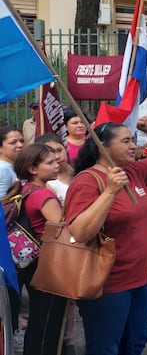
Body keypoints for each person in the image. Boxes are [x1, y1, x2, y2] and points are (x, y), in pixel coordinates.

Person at [65, 118, 147, 355]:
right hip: (108, 285)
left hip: (140, 279)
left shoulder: (132, 171)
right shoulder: (88, 181)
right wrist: (110, 191)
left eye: (132, 140)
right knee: (106, 348)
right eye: (125, 141)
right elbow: (80, 232)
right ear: (104, 147)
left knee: (135, 343)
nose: (133, 145)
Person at [10, 143, 68, 355]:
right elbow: (64, 231)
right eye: (50, 162)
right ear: (33, 168)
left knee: (39, 319)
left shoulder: (25, 189)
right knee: (47, 324)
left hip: (31, 266)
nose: (57, 165)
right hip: (47, 267)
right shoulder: (43, 195)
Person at [34, 134, 76, 354]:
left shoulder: (77, 174)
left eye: (59, 150)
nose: (56, 158)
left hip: (76, 244)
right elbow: (58, 222)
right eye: (49, 155)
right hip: (62, 247)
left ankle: (67, 338)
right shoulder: (47, 186)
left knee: (70, 303)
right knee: (57, 305)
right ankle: (64, 342)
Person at [0, 126, 24, 196]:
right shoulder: (3, 170)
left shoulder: (15, 166)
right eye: (13, 143)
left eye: (22, 141)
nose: (20, 145)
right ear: (0, 148)